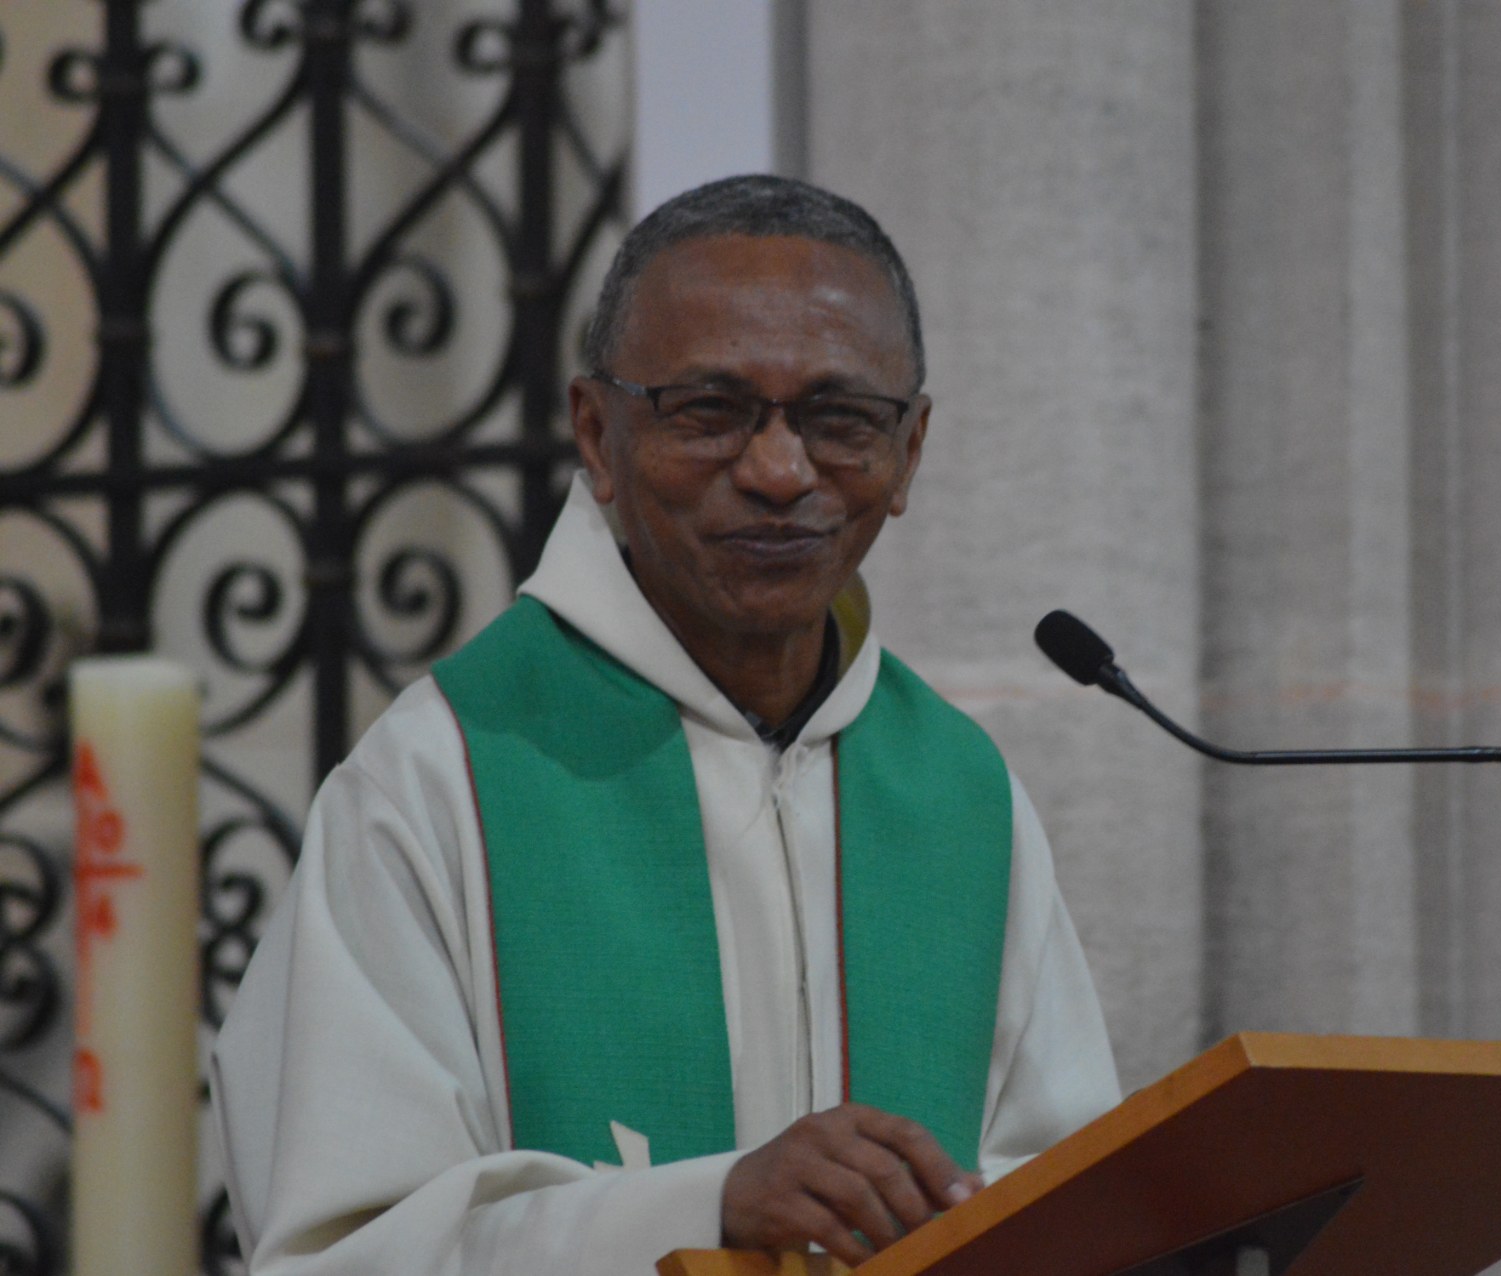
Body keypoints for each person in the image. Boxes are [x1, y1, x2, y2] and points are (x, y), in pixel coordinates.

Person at [211, 174, 1120, 1275]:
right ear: (596, 433)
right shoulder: (442, 775)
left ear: (910, 452)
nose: (781, 472)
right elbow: (343, 1252)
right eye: (710, 411)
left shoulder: (963, 800)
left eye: (839, 420)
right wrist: (706, 1208)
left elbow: (1084, 1207)